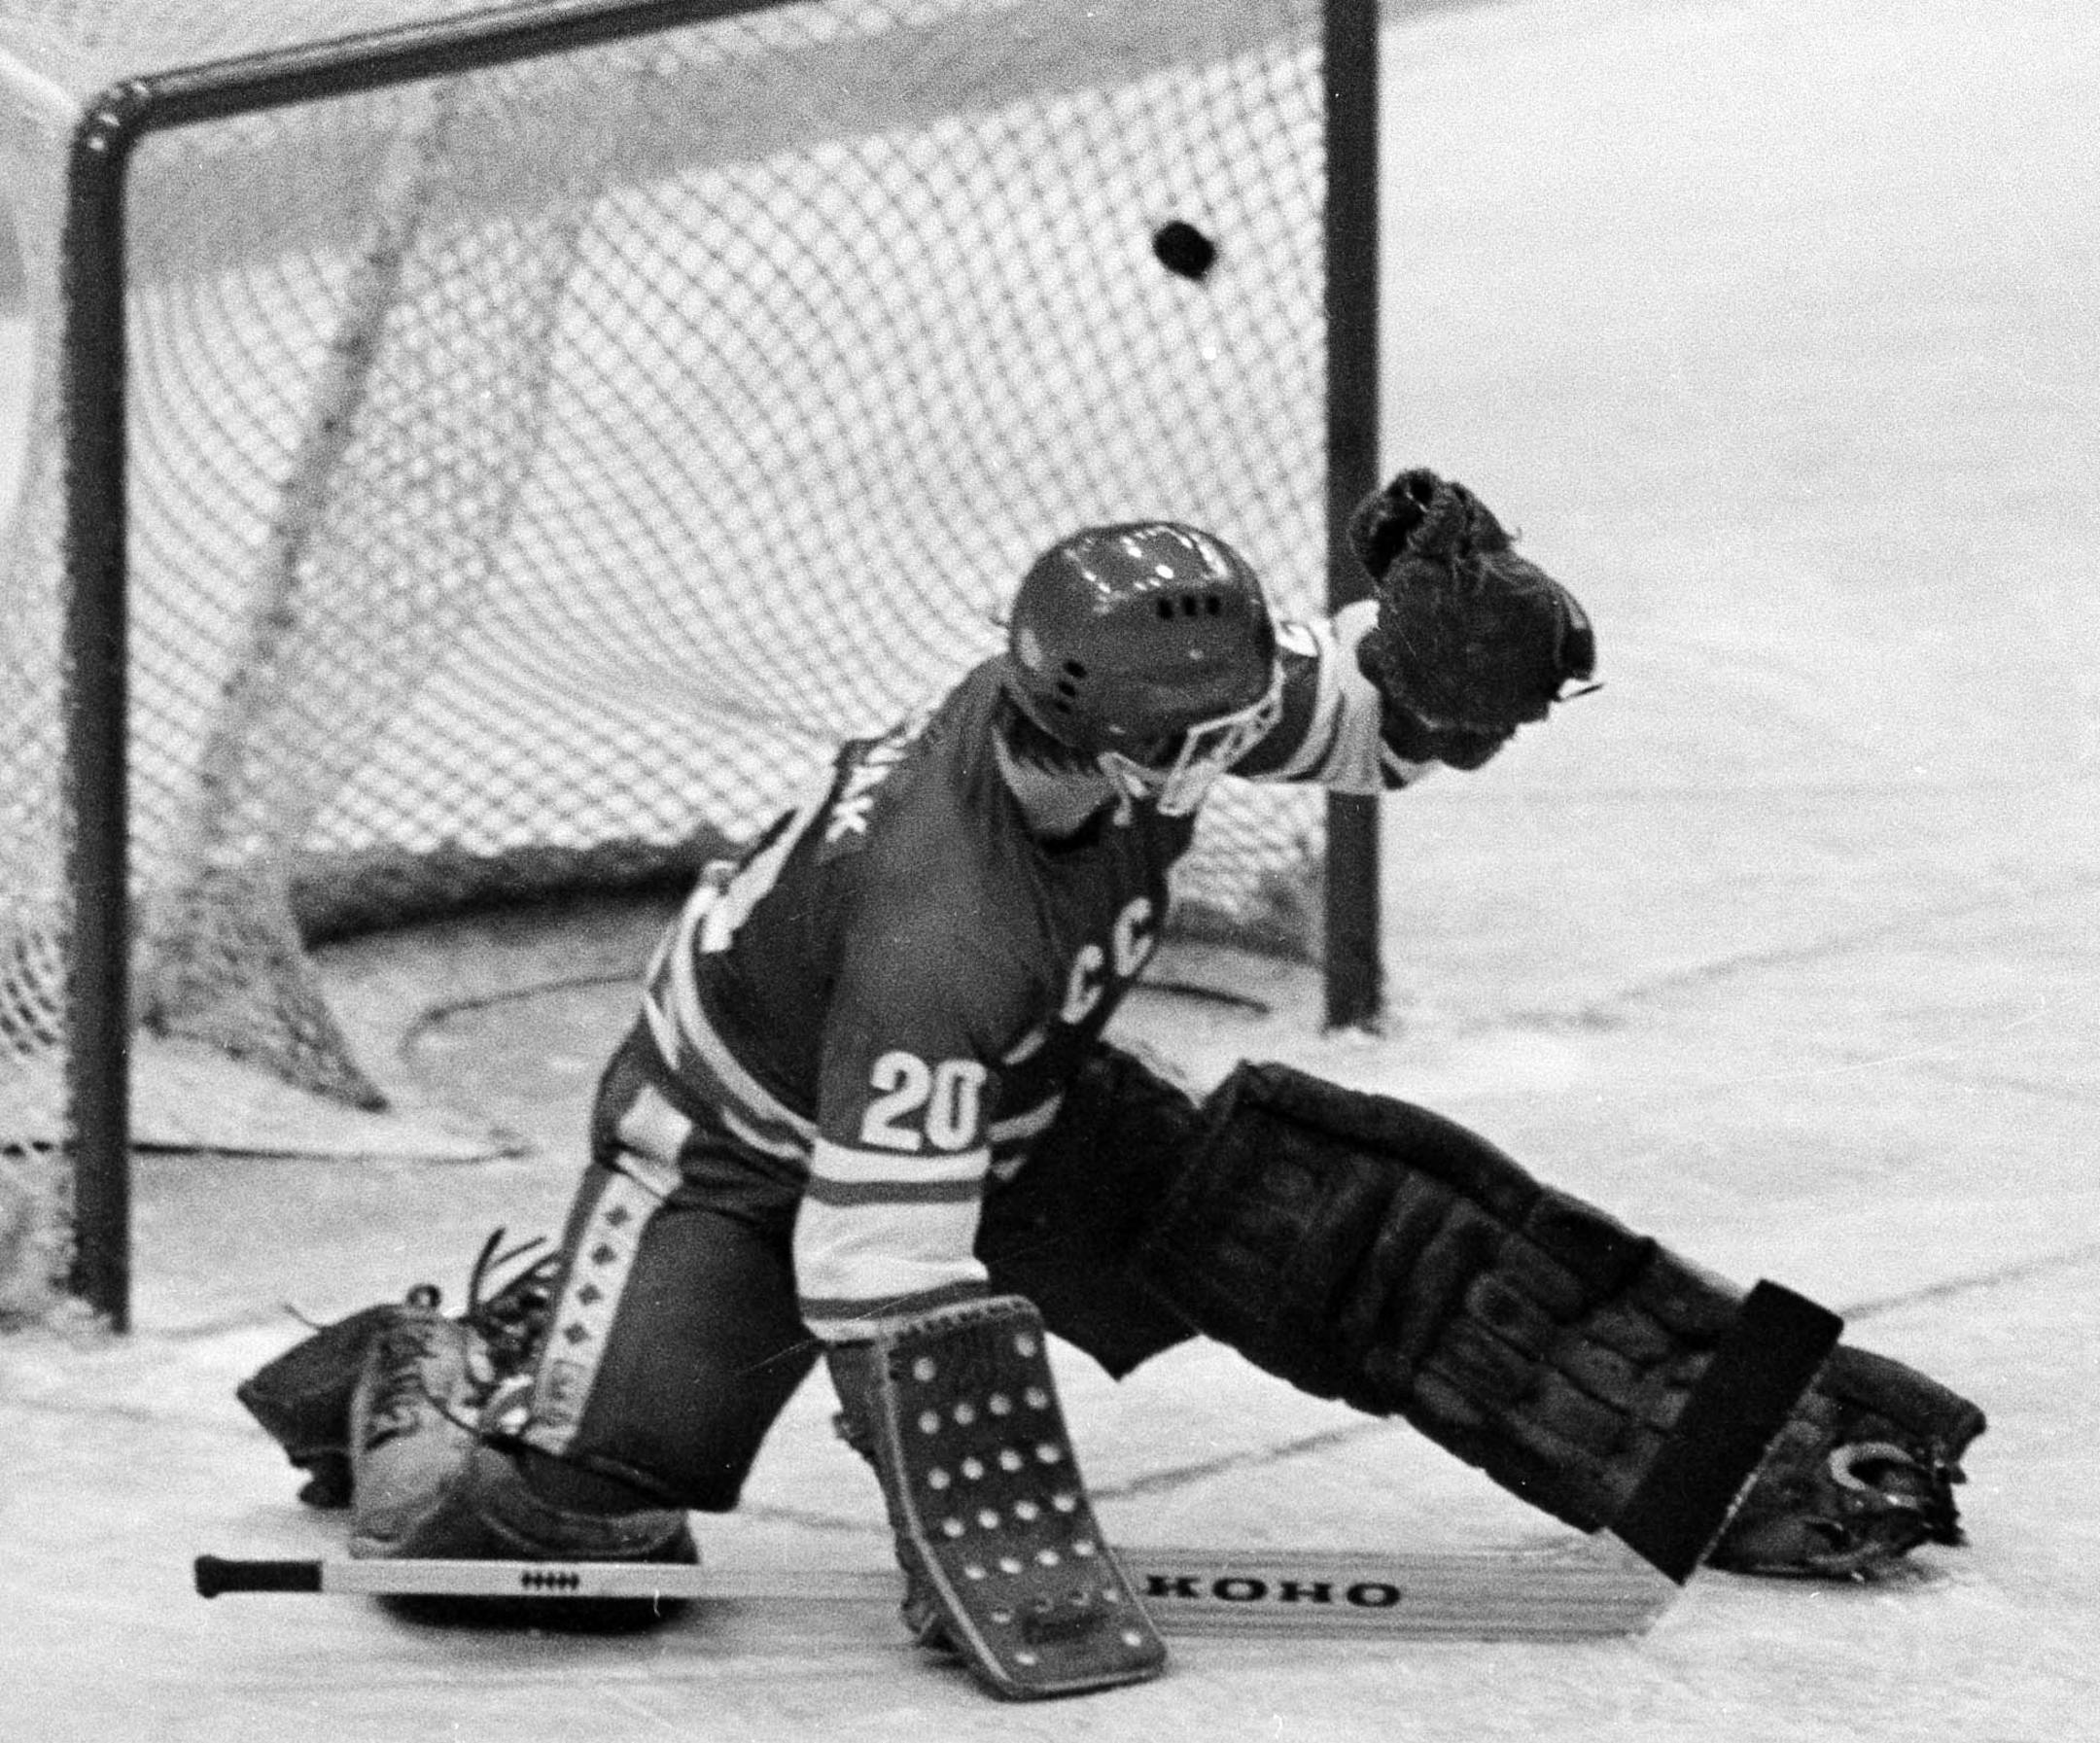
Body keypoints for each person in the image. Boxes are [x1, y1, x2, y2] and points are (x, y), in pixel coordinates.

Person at [237, 471, 1983, 1698]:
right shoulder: (950, 930)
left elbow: (1350, 714)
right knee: (543, 1537)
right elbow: (876, 1266)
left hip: (1020, 1104)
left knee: (1343, 1223)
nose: (1267, 726)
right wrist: (973, 1523)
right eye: (1230, 727)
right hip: (735, 1160)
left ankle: (1759, 1442)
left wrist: (1452, 684)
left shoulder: (1118, 717)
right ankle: (463, 1367)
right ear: (1143, 739)